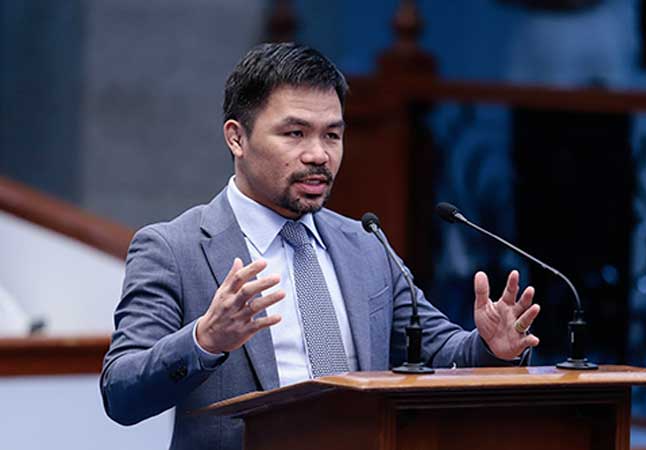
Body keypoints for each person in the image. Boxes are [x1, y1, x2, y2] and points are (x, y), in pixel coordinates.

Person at [100, 42, 541, 450]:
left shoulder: (366, 245)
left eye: (332, 135)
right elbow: (121, 394)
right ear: (236, 137)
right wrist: (205, 340)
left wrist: (492, 348)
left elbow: (441, 354)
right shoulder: (173, 249)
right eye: (295, 134)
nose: (319, 155)